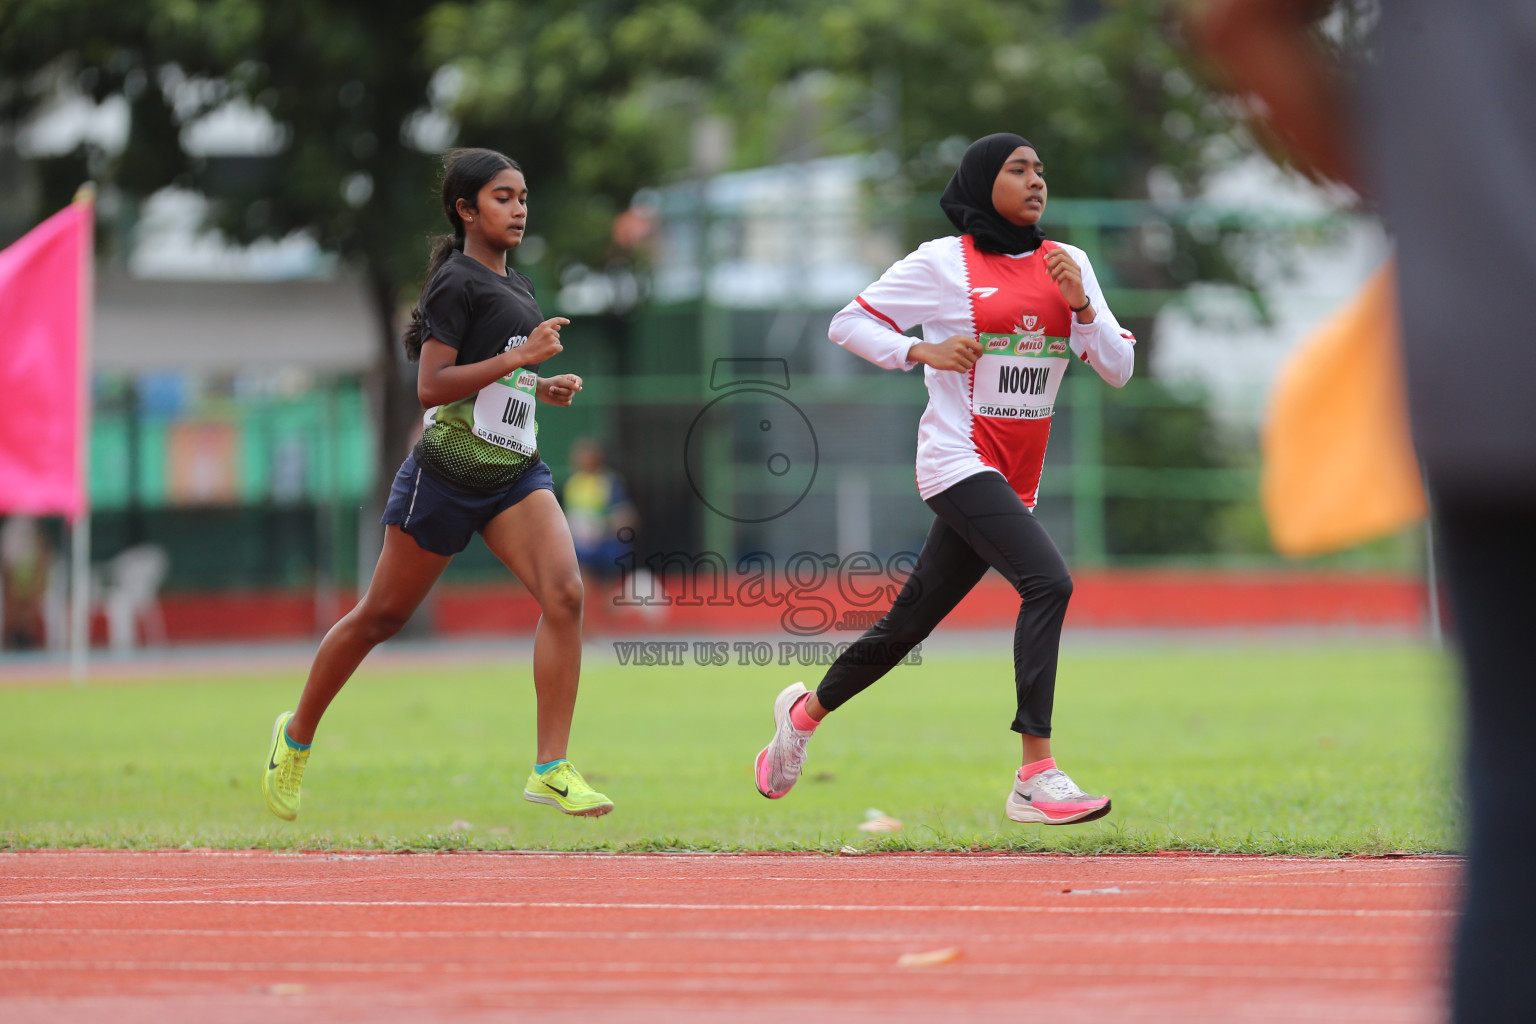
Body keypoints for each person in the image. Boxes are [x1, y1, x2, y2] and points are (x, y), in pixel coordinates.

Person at [1191, 4, 1536, 1021]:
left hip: (1496, 361)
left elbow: (1234, 21)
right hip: (1493, 370)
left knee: (1521, 814)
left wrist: (1422, 175)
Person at [754, 133, 1136, 825]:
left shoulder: (1068, 263)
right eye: (1018, 169)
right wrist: (919, 348)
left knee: (908, 625)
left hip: (1014, 477)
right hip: (956, 460)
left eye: (1040, 169)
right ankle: (1035, 773)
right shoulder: (941, 263)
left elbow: (1117, 367)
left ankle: (801, 719)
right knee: (1048, 581)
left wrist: (1082, 307)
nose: (1035, 180)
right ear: (982, 181)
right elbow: (849, 322)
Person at [262, 148, 613, 820]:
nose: (518, 209)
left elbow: (495, 372)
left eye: (523, 197)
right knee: (381, 618)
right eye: (503, 197)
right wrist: (522, 357)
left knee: (565, 594)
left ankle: (551, 767)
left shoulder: (519, 285)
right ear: (465, 208)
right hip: (447, 475)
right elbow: (432, 386)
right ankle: (296, 736)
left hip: (512, 471)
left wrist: (539, 385)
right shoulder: (454, 282)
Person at [562, 437, 637, 626]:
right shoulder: (573, 483)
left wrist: (605, 525)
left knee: (606, 591)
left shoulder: (609, 481)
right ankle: (585, 628)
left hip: (605, 543)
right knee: (580, 585)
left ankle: (613, 611)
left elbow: (625, 514)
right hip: (581, 545)